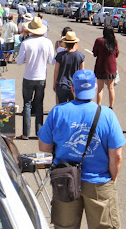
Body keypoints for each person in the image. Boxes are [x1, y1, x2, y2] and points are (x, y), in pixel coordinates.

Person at [38, 69, 125, 229]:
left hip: (65, 180)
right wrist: (112, 179)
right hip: (98, 182)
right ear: (93, 90)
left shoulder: (58, 112)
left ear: (72, 88)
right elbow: (117, 156)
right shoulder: (107, 115)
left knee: (65, 226)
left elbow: (44, 147)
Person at [17, 17, 54, 140]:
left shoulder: (26, 43)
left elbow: (19, 61)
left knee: (27, 104)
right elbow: (51, 61)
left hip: (28, 76)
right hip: (41, 76)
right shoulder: (47, 42)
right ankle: (39, 132)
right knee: (39, 105)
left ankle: (25, 133)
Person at [53, 31, 85, 104]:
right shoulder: (80, 56)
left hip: (62, 85)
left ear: (65, 43)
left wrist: (55, 84)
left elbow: (56, 71)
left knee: (61, 106)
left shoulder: (60, 55)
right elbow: (81, 72)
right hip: (74, 85)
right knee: (73, 107)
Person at [93, 25, 119, 109]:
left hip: (101, 67)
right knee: (111, 88)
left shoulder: (99, 41)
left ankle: (98, 106)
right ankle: (111, 106)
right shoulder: (114, 42)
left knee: (100, 88)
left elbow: (95, 53)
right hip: (111, 67)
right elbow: (117, 54)